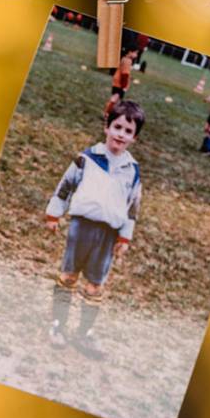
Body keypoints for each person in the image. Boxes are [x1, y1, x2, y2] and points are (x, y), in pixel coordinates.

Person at [45, 100, 145, 358]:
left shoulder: (132, 171)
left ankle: (83, 333)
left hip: (108, 234)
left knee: (94, 285)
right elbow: (66, 185)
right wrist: (54, 213)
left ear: (134, 138)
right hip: (82, 228)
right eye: (117, 127)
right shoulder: (86, 158)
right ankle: (57, 325)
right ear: (107, 127)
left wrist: (125, 236)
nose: (121, 134)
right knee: (68, 276)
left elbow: (133, 206)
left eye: (128, 131)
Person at [103, 48, 135, 121]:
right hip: (120, 83)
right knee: (114, 99)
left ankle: (110, 114)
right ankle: (107, 114)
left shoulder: (124, 59)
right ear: (130, 52)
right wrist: (124, 85)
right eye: (135, 53)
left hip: (117, 81)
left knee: (116, 100)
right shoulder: (128, 61)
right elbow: (125, 74)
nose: (136, 55)